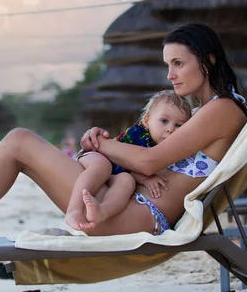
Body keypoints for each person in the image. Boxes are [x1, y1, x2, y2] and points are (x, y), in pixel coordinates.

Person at [0, 22, 247, 250]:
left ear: (209, 59)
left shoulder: (223, 109)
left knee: (18, 140)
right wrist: (105, 148)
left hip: (132, 216)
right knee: (17, 143)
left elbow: (149, 160)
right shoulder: (208, 111)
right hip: (123, 205)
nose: (170, 74)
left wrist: (98, 143)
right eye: (167, 65)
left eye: (178, 63)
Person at [65, 90, 193, 231]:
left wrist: (140, 178)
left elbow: (128, 172)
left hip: (115, 174)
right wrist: (144, 178)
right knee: (102, 166)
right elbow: (125, 162)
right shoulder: (138, 135)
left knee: (127, 181)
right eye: (164, 121)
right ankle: (74, 210)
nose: (170, 129)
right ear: (146, 120)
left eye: (178, 126)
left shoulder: (165, 149)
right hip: (97, 155)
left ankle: (102, 212)